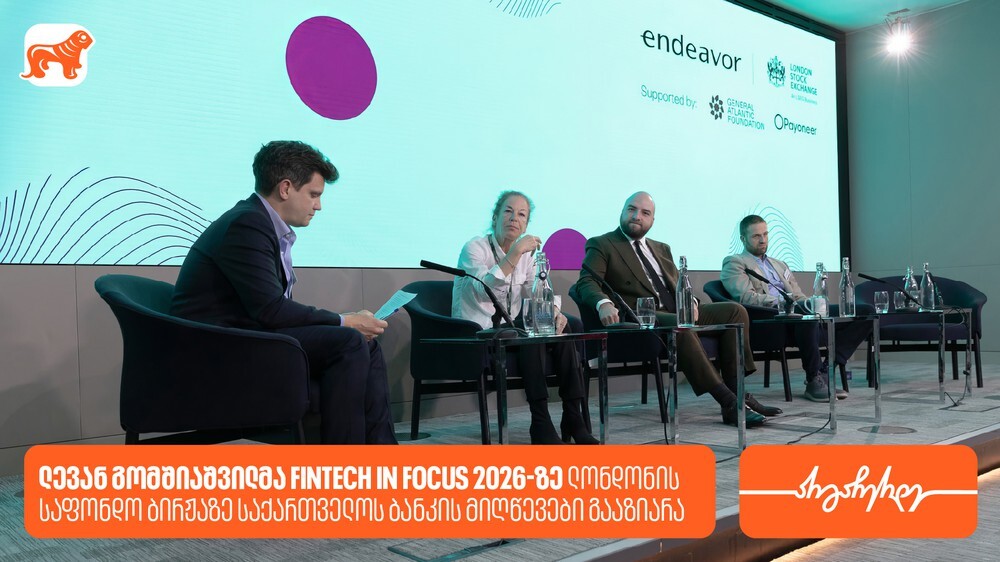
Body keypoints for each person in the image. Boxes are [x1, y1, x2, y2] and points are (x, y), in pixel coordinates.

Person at [171, 140, 397, 444]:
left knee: (364, 343)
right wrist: (344, 321)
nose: (319, 206)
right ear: (286, 188)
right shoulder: (247, 224)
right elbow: (271, 310)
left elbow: (270, 310)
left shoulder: (260, 223)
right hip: (219, 350)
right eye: (314, 194)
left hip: (248, 337)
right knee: (349, 339)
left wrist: (347, 323)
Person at [573, 192, 779, 427]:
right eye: (631, 209)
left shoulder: (661, 248)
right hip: (643, 316)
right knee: (680, 325)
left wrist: (692, 302)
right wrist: (603, 303)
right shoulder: (603, 244)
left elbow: (678, 283)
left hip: (676, 310)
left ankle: (739, 393)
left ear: (652, 220)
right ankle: (728, 401)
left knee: (735, 311)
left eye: (645, 213)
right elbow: (586, 282)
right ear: (622, 211)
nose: (637, 216)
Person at [452, 191, 598, 445]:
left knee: (561, 330)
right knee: (530, 334)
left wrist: (555, 312)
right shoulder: (474, 248)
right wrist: (516, 252)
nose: (514, 219)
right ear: (495, 217)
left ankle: (573, 416)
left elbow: (540, 291)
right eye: (508, 212)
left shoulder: (528, 258)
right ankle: (540, 420)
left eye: (521, 215)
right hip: (478, 331)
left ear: (526, 225)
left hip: (510, 331)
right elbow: (485, 289)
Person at [721, 214, 872, 402]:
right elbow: (747, 297)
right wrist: (785, 302)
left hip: (797, 312)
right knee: (804, 314)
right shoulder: (734, 262)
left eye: (765, 234)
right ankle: (813, 379)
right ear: (743, 239)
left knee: (866, 312)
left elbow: (798, 295)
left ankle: (827, 368)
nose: (763, 240)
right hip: (769, 321)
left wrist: (814, 304)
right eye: (756, 236)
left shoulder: (779, 264)